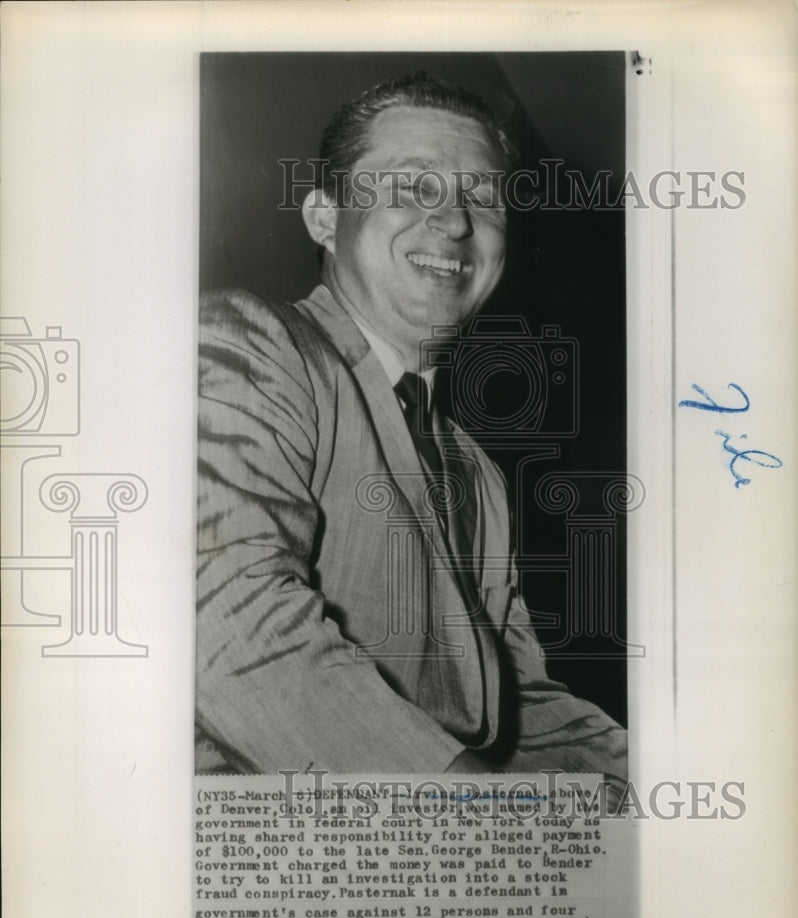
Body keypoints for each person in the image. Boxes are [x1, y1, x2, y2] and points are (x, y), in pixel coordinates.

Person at [195, 72, 627, 783]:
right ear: (325, 219)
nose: (456, 223)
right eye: (413, 186)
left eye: (482, 198)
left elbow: (516, 706)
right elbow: (227, 625)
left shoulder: (476, 472)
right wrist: (482, 819)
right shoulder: (250, 343)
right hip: (277, 860)